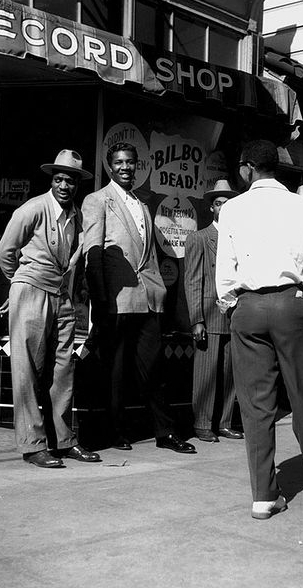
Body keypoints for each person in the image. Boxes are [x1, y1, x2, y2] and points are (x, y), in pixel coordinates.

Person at [215, 139, 303, 519]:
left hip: (249, 307)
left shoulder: (233, 209)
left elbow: (226, 268)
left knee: (256, 405)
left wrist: (231, 303)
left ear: (247, 168)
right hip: (292, 304)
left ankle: (264, 496)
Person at [82, 142, 195, 454]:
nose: (125, 167)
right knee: (115, 370)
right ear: (110, 166)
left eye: (130, 162)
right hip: (117, 299)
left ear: (136, 166)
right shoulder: (97, 200)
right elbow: (93, 254)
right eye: (119, 162)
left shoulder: (143, 204)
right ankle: (116, 432)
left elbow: (151, 257)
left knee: (154, 367)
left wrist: (159, 292)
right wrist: (100, 303)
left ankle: (165, 432)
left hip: (148, 298)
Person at [0, 149, 101, 468]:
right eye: (59, 179)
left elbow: (75, 255)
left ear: (77, 185)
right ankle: (32, 445)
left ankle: (64, 440)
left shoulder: (76, 216)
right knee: (27, 370)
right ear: (51, 181)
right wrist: (20, 285)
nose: (64, 185)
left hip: (61, 295)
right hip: (32, 290)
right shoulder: (33, 209)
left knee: (63, 367)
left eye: (70, 180)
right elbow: (5, 250)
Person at [184, 180, 244, 443]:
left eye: (229, 203)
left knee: (231, 372)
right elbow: (193, 280)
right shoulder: (199, 238)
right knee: (206, 372)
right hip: (209, 313)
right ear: (212, 208)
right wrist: (197, 319)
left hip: (235, 314)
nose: (224, 207)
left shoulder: (241, 238)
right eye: (219, 203)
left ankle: (225, 422)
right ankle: (202, 423)